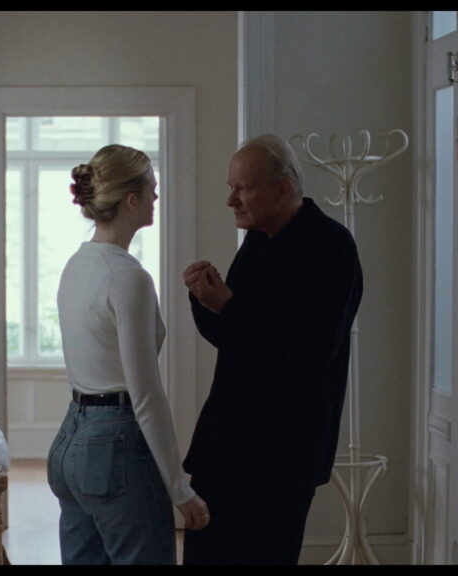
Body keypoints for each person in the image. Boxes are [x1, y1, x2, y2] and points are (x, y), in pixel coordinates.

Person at [181, 134, 363, 565]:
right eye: (231, 187)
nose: (230, 201)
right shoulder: (258, 240)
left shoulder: (331, 247)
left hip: (282, 457)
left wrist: (228, 305)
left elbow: (309, 354)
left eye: (241, 188)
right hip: (226, 446)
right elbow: (232, 339)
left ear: (282, 190)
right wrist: (203, 299)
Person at [49, 144, 210, 565]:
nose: (157, 196)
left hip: (70, 442)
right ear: (131, 200)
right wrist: (180, 488)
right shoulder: (127, 277)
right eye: (151, 188)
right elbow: (145, 395)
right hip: (114, 447)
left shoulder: (76, 265)